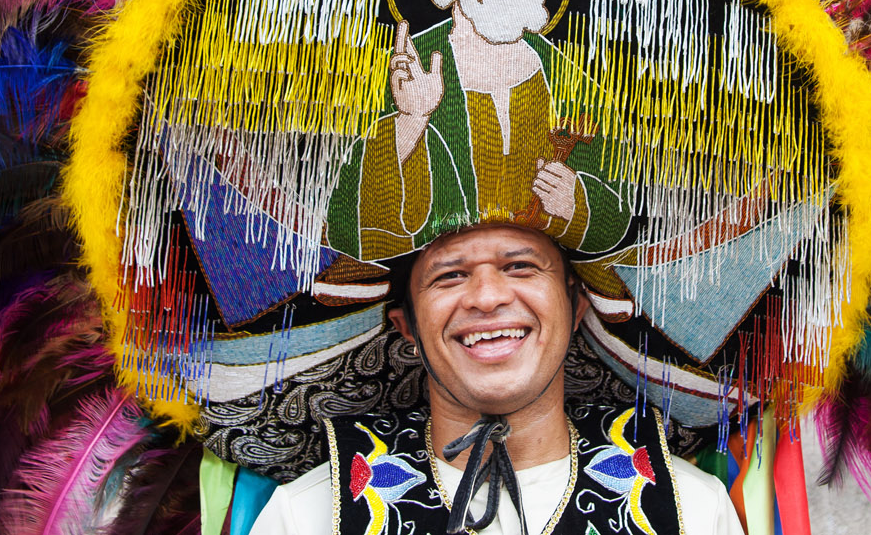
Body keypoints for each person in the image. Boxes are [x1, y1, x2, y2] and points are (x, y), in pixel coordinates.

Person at [250, 224, 744, 535]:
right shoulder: (309, 516)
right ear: (408, 329)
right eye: (449, 276)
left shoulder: (690, 510)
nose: (486, 297)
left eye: (520, 266)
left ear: (576, 308)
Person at [328, 0, 633, 261]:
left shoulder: (568, 79)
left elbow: (618, 206)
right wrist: (411, 120)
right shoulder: (408, 70)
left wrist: (576, 203)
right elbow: (345, 223)